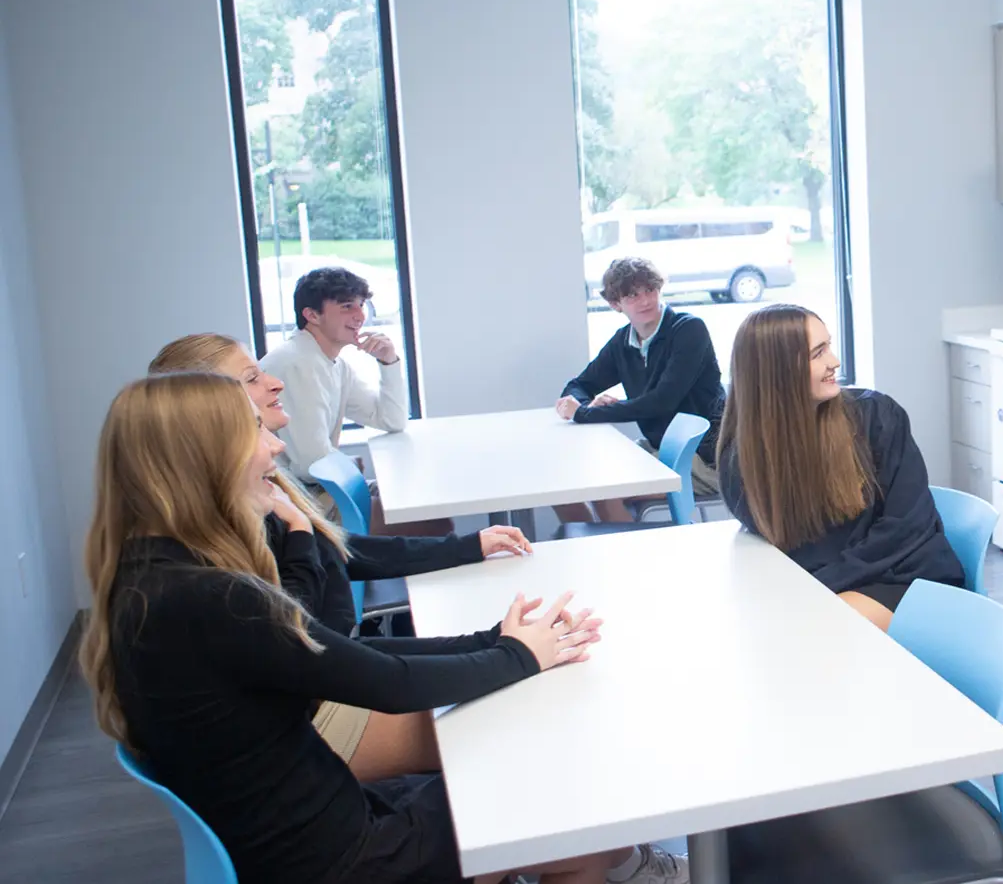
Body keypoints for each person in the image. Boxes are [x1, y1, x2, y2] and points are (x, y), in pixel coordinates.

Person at [79, 372, 636, 884]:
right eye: (251, 431)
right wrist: (520, 655)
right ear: (201, 457)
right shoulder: (212, 598)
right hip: (341, 857)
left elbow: (348, 658)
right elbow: (386, 683)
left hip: (301, 832)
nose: (275, 446)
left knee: (548, 797)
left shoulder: (146, 581)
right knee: (579, 814)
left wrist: (496, 642)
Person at [147, 333, 531, 781]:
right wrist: (300, 534)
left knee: (510, 678)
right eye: (252, 378)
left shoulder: (255, 492)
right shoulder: (229, 533)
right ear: (206, 409)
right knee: (509, 722)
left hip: (325, 684)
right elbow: (321, 637)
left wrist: (476, 587)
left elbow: (338, 606)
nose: (275, 383)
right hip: (315, 712)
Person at [718, 303, 965, 630]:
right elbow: (787, 546)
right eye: (818, 353)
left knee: (805, 633)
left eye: (829, 347)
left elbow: (907, 528)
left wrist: (815, 586)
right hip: (829, 582)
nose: (834, 361)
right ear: (778, 371)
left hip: (904, 575)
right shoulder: (742, 458)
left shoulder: (878, 416)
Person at [261, 266, 430, 535]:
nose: (360, 315)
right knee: (426, 519)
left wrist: (389, 362)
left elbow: (391, 419)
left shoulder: (331, 363)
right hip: (294, 505)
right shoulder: (298, 364)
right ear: (312, 315)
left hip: (312, 492)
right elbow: (311, 465)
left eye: (361, 305)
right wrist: (348, 466)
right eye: (347, 306)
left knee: (421, 503)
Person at [557, 257, 726, 519]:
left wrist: (584, 413)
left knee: (607, 491)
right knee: (569, 484)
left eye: (650, 290)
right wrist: (581, 404)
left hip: (705, 459)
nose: (646, 300)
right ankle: (596, 546)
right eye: (633, 295)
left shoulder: (689, 329)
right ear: (616, 304)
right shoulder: (624, 341)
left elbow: (662, 401)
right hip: (662, 449)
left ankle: (622, 555)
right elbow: (579, 385)